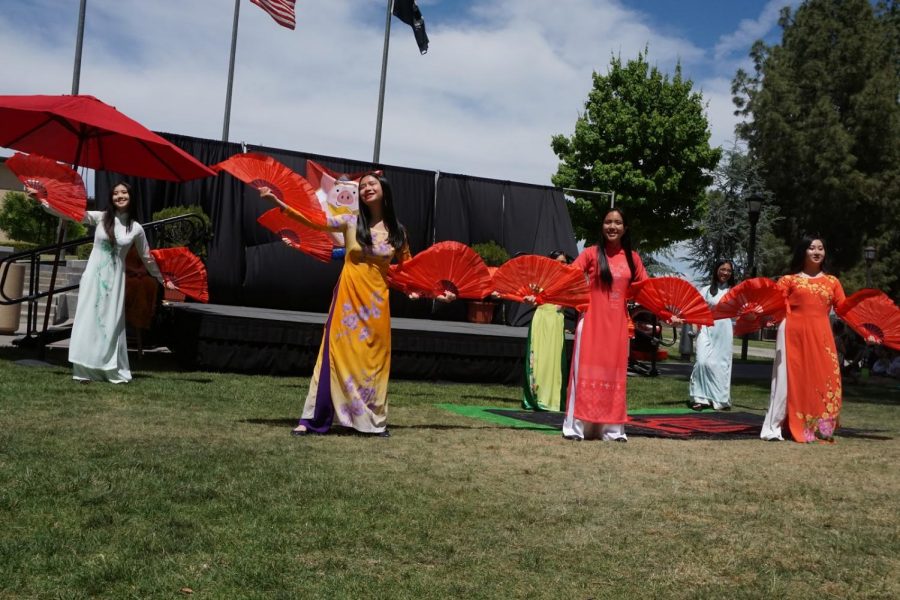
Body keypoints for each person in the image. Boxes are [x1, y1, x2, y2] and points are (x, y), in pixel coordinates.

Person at [260, 173, 452, 436]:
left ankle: (369, 422)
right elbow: (316, 221)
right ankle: (313, 419)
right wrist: (282, 205)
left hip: (376, 305)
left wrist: (435, 293)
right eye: (362, 186)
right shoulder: (350, 222)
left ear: (385, 189)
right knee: (333, 355)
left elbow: (409, 272)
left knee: (372, 361)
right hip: (347, 301)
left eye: (372, 184)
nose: (366, 189)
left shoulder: (398, 232)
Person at [27, 182, 174, 383]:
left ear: (131, 197)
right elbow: (70, 213)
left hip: (114, 282)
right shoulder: (101, 218)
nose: (119, 196)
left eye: (124, 192)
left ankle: (110, 368)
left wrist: (162, 279)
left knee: (110, 324)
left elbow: (147, 258)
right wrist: (42, 200)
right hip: (94, 278)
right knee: (88, 320)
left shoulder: (136, 229)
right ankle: (84, 369)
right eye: (115, 193)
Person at [562, 208, 649, 441]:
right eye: (608, 222)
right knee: (583, 374)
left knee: (614, 374)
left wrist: (669, 313)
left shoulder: (633, 258)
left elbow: (648, 290)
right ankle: (575, 428)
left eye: (618, 222)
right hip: (591, 322)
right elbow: (567, 277)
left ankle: (612, 431)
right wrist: (542, 294)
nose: (612, 226)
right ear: (602, 226)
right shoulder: (591, 253)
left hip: (618, 326)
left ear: (625, 228)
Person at [760, 235, 846, 442]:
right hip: (793, 334)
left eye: (821, 248)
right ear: (803, 252)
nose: (817, 252)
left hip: (822, 335)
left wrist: (865, 331)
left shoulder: (832, 282)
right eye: (811, 248)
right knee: (791, 380)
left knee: (826, 379)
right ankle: (784, 424)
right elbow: (773, 305)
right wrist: (763, 315)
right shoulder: (789, 280)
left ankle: (820, 426)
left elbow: (845, 309)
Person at [521, 251, 571, 412]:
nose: (561, 265)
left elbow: (572, 299)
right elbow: (531, 299)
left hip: (556, 320)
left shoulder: (568, 281)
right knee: (539, 359)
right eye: (558, 261)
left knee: (554, 361)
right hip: (541, 319)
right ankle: (536, 397)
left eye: (564, 262)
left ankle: (553, 399)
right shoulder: (541, 279)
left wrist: (563, 303)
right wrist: (531, 299)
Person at [688, 259, 736, 411]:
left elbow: (742, 311)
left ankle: (719, 399)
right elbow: (695, 310)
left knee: (721, 365)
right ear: (716, 270)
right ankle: (699, 398)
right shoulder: (706, 290)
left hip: (724, 331)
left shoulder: (734, 291)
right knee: (702, 361)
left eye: (728, 270)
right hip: (706, 328)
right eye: (723, 269)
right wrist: (694, 329)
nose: (725, 273)